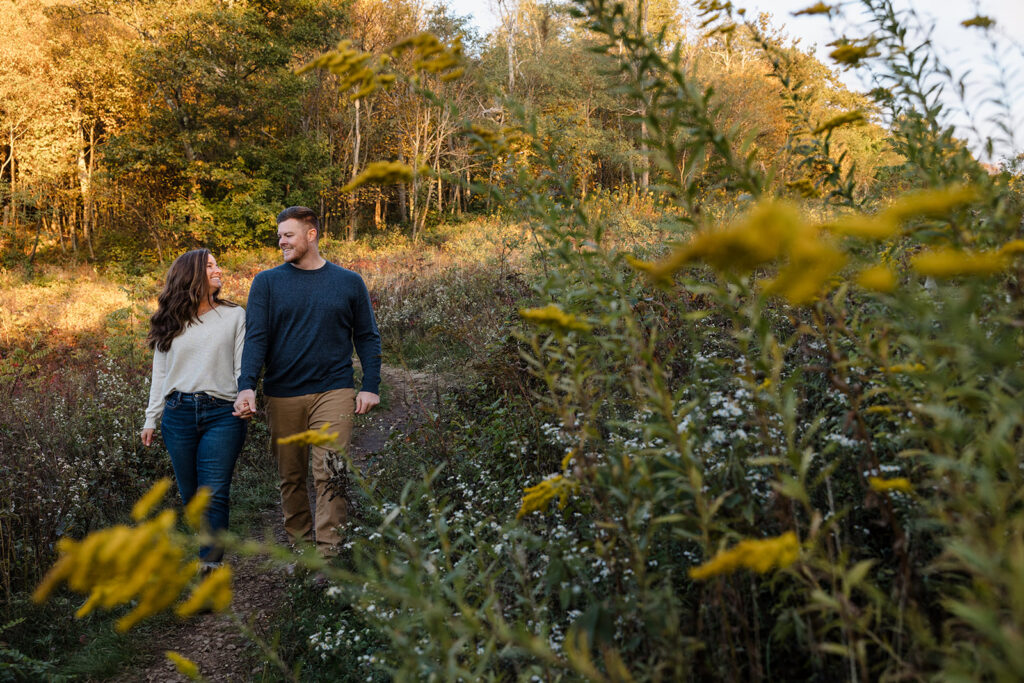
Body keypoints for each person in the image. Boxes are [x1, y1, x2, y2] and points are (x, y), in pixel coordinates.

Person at [233, 206, 381, 559]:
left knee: (330, 471)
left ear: (311, 234)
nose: (281, 241)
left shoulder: (349, 282)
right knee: (291, 476)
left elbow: (367, 336)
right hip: (283, 393)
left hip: (335, 388)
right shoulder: (267, 282)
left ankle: (329, 557)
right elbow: (256, 338)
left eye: (288, 234)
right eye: (279, 235)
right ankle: (302, 550)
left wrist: (370, 384)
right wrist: (246, 384)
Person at [141, 249, 247, 571]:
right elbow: (161, 372)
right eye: (210, 266)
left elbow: (243, 366)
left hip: (222, 413)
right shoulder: (170, 318)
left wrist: (246, 395)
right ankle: (209, 547)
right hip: (178, 414)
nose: (218, 270)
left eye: (217, 265)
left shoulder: (234, 315)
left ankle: (209, 570)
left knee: (213, 494)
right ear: (192, 275)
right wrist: (151, 417)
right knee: (191, 499)